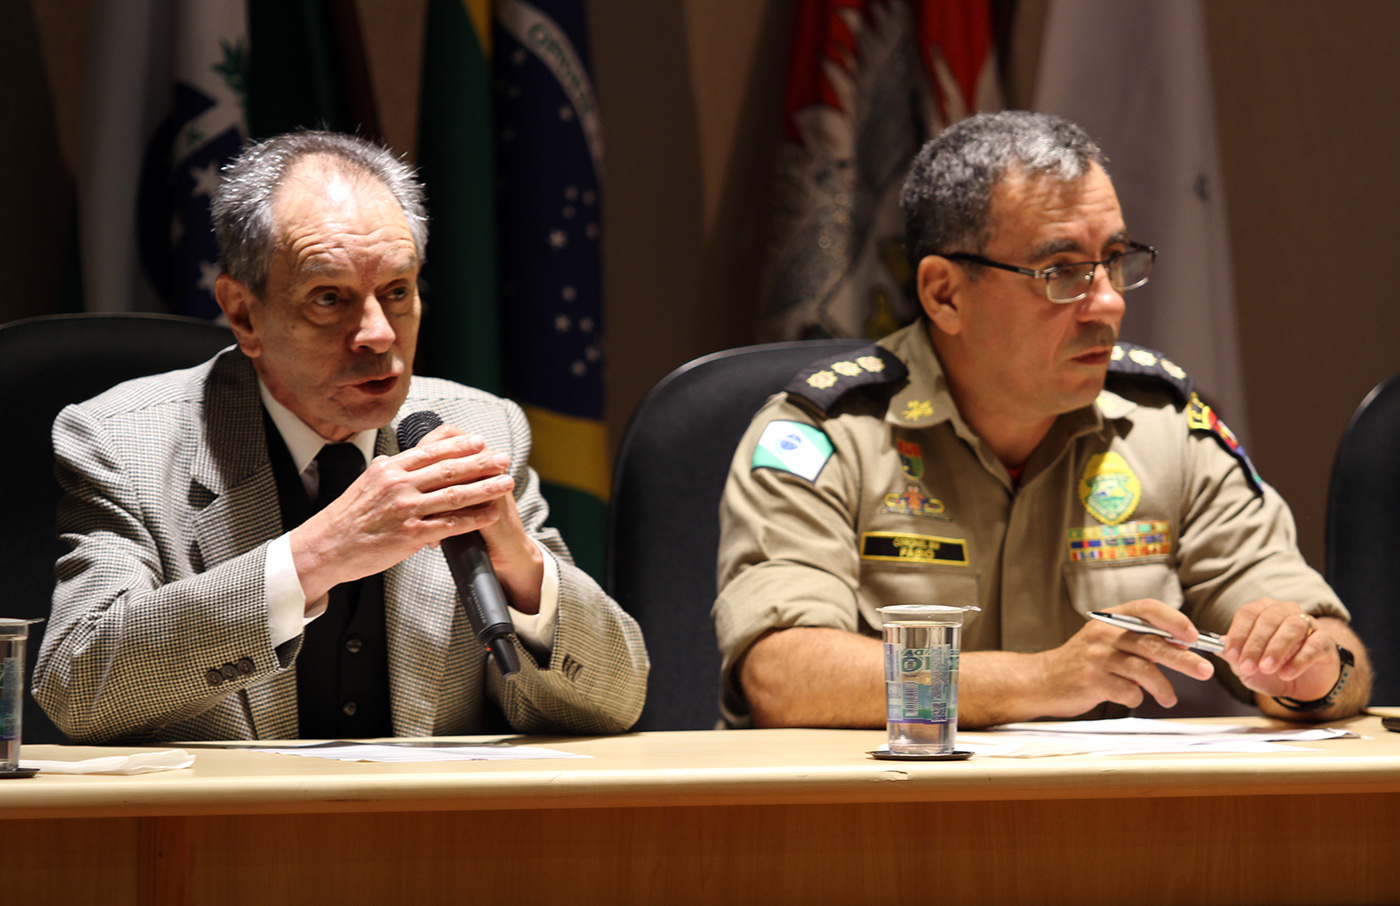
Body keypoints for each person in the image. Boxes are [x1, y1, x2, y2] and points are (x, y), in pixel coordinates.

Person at [715, 111, 1370, 729]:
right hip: (888, 807)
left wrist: (1310, 670)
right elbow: (783, 674)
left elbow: (1339, 658)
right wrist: (1040, 681)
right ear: (944, 293)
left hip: (1099, 808)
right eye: (1061, 272)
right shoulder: (825, 435)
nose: (1108, 303)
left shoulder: (1167, 428)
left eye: (1115, 260)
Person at [35, 131, 648, 743]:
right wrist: (317, 556)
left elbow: (616, 702)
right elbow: (76, 687)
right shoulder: (122, 442)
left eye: (397, 292)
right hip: (222, 808)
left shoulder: (480, 429)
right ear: (244, 314)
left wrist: (524, 571)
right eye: (330, 299)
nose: (379, 334)